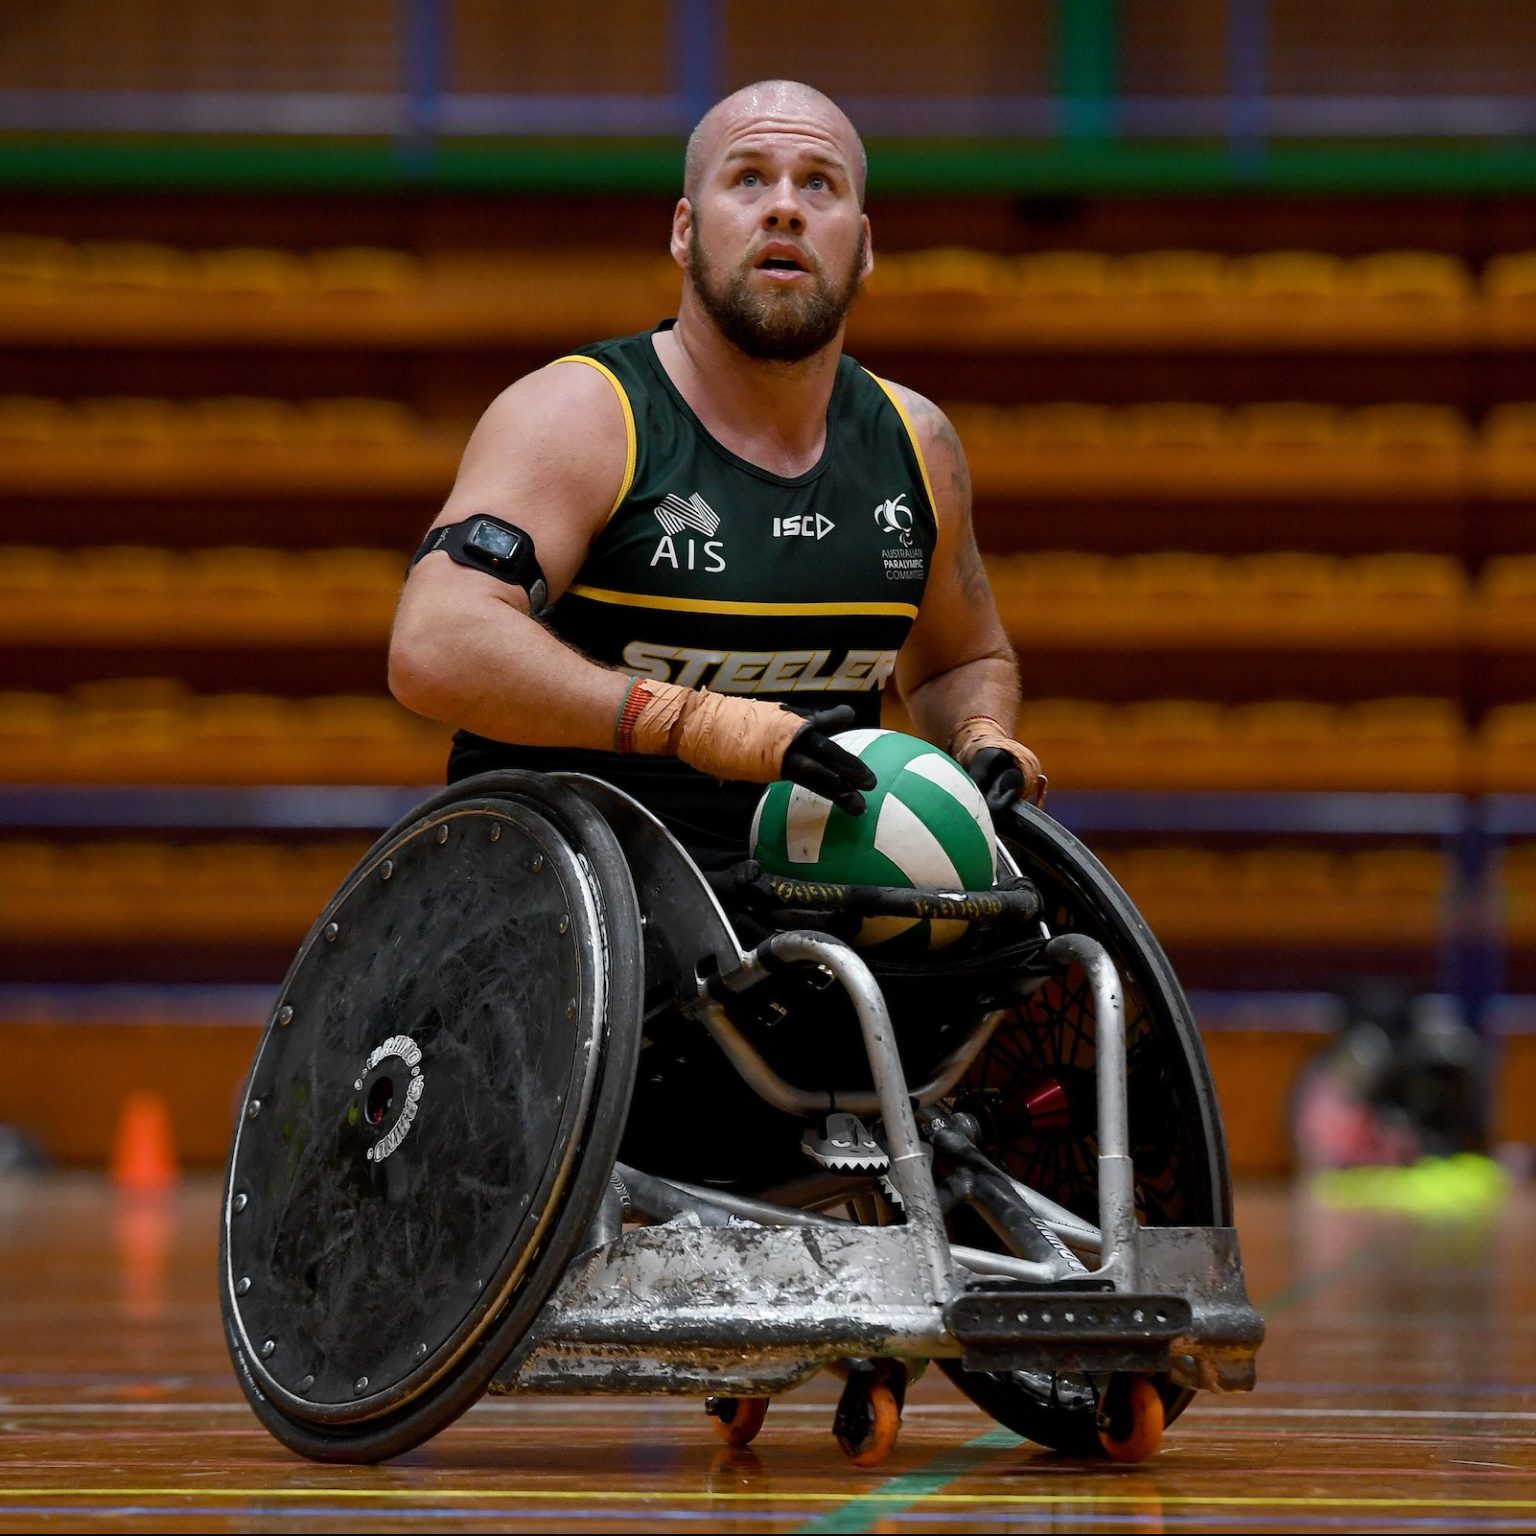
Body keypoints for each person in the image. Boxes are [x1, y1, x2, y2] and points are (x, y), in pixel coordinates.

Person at [388, 79, 1044, 875]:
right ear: (685, 230)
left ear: (864, 246)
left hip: (811, 900)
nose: (785, 208)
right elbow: (435, 644)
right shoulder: (581, 417)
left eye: (818, 184)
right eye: (748, 179)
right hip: (577, 912)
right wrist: (690, 723)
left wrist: (980, 737)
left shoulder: (917, 441)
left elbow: (958, 661)